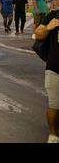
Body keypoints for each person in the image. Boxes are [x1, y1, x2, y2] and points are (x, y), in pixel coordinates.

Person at [34, 9, 59, 143]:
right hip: (55, 67)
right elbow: (38, 34)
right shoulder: (53, 15)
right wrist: (49, 27)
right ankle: (53, 135)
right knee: (54, 104)